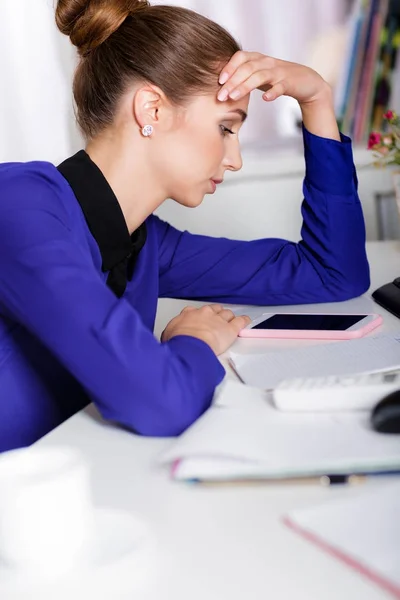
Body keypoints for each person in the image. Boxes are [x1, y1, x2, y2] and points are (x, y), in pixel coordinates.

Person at [0, 0, 370, 452]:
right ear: (152, 109)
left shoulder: (144, 245)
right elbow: (160, 403)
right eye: (226, 128)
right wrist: (194, 341)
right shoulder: (19, 207)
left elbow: (333, 273)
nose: (234, 160)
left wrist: (316, 99)